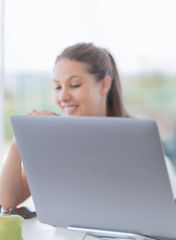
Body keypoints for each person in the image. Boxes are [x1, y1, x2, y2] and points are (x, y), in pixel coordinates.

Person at [0, 43, 128, 211]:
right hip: (66, 236)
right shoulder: (56, 139)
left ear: (104, 85)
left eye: (74, 85)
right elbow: (8, 201)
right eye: (58, 87)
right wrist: (18, 144)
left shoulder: (130, 140)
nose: (63, 97)